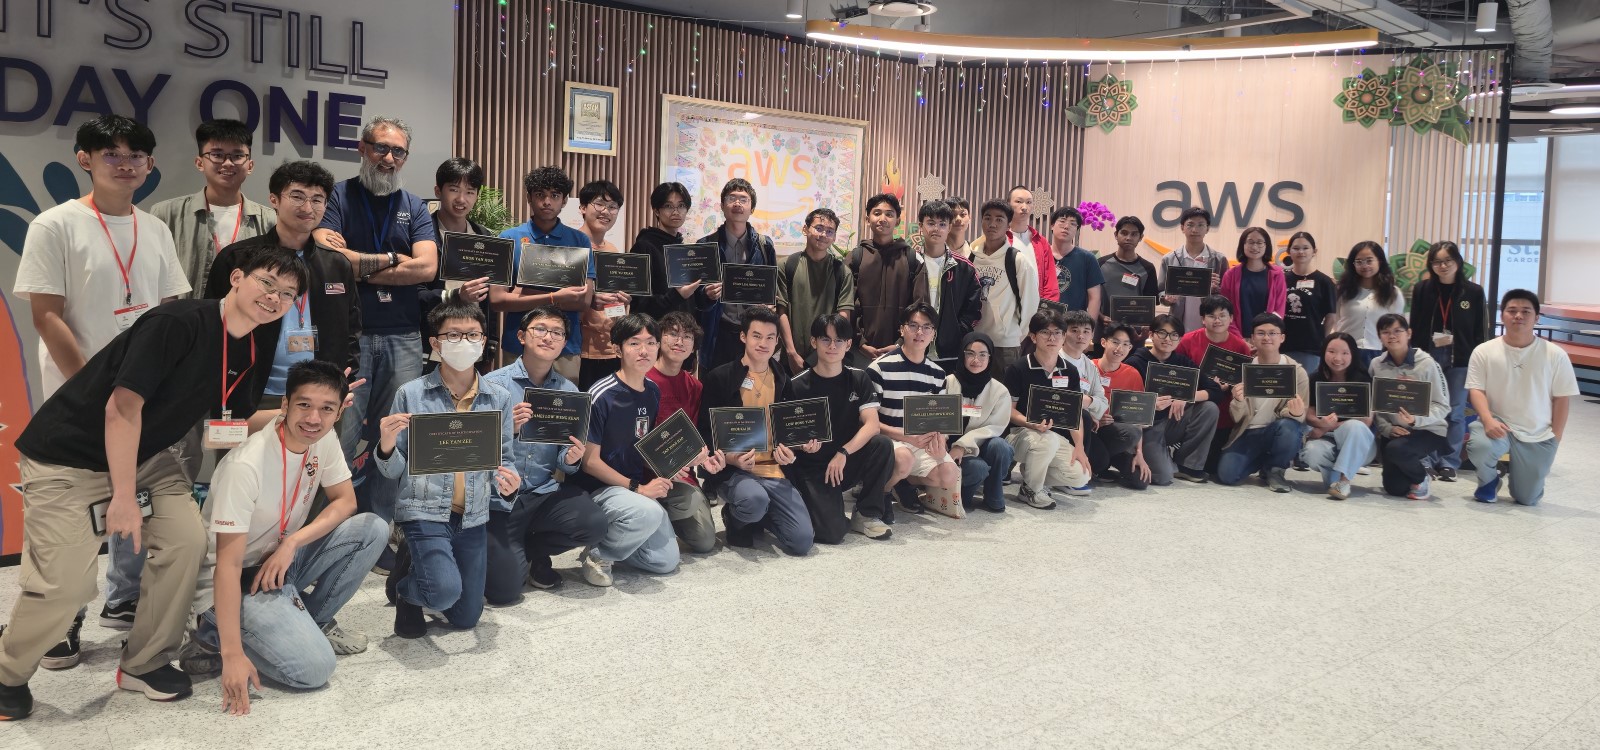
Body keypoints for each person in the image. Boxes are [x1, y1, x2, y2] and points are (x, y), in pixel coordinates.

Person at [0, 246, 307, 719]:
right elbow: (121, 409)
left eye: (287, 294)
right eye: (268, 283)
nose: (275, 297)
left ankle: (144, 662)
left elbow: (231, 420)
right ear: (238, 278)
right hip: (69, 457)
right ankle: (7, 671)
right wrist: (123, 496)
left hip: (148, 456)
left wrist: (304, 411)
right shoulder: (177, 323)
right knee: (65, 585)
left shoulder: (247, 345)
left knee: (187, 541)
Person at [12, 114, 191, 665]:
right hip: (76, 399)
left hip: (137, 401)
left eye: (136, 155)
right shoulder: (55, 225)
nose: (125, 163)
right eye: (110, 153)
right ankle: (61, 622)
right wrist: (94, 388)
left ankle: (126, 604)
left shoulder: (154, 228)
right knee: (64, 521)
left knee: (144, 510)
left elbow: (167, 313)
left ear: (150, 164)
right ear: (84, 159)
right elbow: (47, 317)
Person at [179, 361, 386, 714]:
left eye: (326, 409)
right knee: (314, 670)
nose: (314, 419)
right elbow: (225, 567)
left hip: (279, 560)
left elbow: (345, 502)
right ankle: (212, 636)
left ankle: (304, 622)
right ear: (285, 406)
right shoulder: (246, 466)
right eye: (304, 405)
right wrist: (233, 655)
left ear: (338, 413)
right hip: (234, 580)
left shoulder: (323, 438)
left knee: (373, 528)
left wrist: (292, 543)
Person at [313, 115, 439, 533]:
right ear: (363, 149)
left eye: (397, 151)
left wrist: (362, 263)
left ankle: (380, 525)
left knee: (395, 435)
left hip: (404, 336)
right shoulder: (337, 196)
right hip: (352, 335)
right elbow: (330, 258)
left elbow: (427, 268)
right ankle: (323, 530)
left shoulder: (415, 205)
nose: (388, 157)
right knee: (340, 435)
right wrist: (391, 260)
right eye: (380, 148)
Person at [376, 300, 525, 638]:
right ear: (435, 343)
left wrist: (510, 485)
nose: (464, 342)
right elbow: (391, 471)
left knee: (466, 617)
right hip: (424, 511)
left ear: (483, 341)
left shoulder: (498, 398)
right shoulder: (410, 394)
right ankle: (407, 591)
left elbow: (504, 458)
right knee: (443, 593)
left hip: (472, 516)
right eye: (453, 335)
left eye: (472, 334)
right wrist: (386, 445)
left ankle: (418, 569)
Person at [207, 161, 360, 418]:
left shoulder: (336, 264)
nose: (308, 208)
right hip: (252, 391)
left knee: (315, 460)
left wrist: (343, 382)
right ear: (274, 200)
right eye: (297, 196)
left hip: (318, 397)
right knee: (243, 460)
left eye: (317, 199)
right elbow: (213, 326)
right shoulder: (240, 258)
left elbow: (352, 331)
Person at [581, 314, 724, 576]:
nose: (644, 350)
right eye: (634, 343)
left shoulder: (651, 391)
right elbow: (589, 462)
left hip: (641, 486)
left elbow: (649, 445)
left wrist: (690, 459)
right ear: (617, 349)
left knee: (665, 562)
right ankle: (598, 555)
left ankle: (616, 537)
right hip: (604, 489)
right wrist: (639, 488)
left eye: (650, 342)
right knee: (648, 511)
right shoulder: (600, 394)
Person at [483, 307, 608, 597]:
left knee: (593, 524)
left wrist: (572, 458)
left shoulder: (570, 393)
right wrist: (507, 428)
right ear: (521, 336)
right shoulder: (492, 385)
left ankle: (534, 550)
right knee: (503, 592)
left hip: (543, 492)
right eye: (539, 329)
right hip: (500, 499)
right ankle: (513, 550)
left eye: (557, 333)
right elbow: (474, 448)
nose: (548, 337)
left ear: (565, 343)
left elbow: (565, 460)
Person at [698, 308, 814, 555]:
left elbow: (791, 430)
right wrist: (731, 458)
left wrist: (792, 452)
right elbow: (705, 432)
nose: (764, 343)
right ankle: (736, 517)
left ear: (777, 341)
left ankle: (760, 516)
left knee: (802, 541)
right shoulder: (720, 377)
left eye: (770, 337)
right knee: (753, 501)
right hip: (735, 471)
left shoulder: (783, 379)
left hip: (774, 469)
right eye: (757, 336)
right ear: (743, 337)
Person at [784, 314, 899, 542]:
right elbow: (787, 439)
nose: (832, 346)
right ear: (814, 342)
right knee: (832, 534)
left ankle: (866, 513)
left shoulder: (859, 378)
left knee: (882, 445)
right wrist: (802, 446)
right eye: (825, 340)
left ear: (848, 345)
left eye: (839, 340)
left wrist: (843, 452)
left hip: (845, 460)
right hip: (813, 468)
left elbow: (872, 425)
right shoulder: (796, 385)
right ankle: (814, 504)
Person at [1465, 290, 1577, 506]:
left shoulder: (1555, 354)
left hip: (1538, 432)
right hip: (1498, 423)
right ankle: (1489, 482)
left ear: (1537, 317)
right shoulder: (1484, 351)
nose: (1518, 316)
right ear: (1502, 315)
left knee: (1527, 499)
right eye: (1512, 311)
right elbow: (1477, 390)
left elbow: (1562, 398)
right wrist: (1487, 420)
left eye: (1526, 311)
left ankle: (1526, 482)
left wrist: (1556, 436)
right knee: (1481, 447)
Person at [490, 166, 595, 383]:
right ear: (529, 197)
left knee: (559, 412)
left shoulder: (579, 241)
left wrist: (523, 292)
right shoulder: (508, 238)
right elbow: (497, 300)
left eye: (554, 195)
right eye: (540, 195)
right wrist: (555, 297)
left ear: (564, 200)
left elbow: (583, 301)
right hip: (518, 343)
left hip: (565, 345)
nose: (547, 202)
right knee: (514, 410)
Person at [150, 118, 275, 298]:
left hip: (246, 322)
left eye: (237, 155)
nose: (228, 163)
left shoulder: (269, 220)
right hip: (185, 321)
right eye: (217, 155)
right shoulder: (166, 214)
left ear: (250, 165)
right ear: (200, 162)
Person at [868, 303, 961, 515]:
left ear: (933, 334)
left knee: (949, 474)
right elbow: (867, 421)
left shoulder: (938, 374)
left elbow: (941, 420)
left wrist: (941, 441)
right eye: (913, 325)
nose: (920, 332)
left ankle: (904, 482)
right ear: (902, 329)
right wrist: (905, 437)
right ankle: (881, 490)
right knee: (904, 459)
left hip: (921, 441)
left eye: (927, 327)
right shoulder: (880, 368)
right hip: (888, 440)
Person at [1407, 241, 1489, 482]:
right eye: (1437, 261)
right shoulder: (1423, 289)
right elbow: (1415, 325)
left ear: (1457, 262)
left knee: (1454, 413)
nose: (1442, 266)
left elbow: (1480, 331)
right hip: (1428, 359)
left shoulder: (1473, 292)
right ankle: (1426, 459)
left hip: (1461, 359)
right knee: (1426, 409)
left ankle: (1449, 462)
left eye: (1447, 261)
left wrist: (1480, 361)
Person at [1003, 309, 1093, 508]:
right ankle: (1031, 490)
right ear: (1033, 337)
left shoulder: (1070, 371)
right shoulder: (1018, 368)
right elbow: (1008, 410)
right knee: (1047, 441)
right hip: (1020, 434)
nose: (1052, 337)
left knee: (1081, 476)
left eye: (1057, 332)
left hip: (1052, 437)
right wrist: (1030, 423)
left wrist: (1079, 448)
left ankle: (1034, 477)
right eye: (1045, 332)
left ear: (1063, 337)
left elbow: (1075, 414)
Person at [1216, 313, 1309, 492]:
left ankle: (1276, 469)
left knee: (1289, 427)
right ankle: (1265, 462)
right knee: (1227, 476)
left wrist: (1295, 413)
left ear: (1282, 337)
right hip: (1247, 432)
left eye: (1272, 333)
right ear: (1252, 338)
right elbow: (1237, 418)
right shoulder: (1243, 369)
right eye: (1260, 333)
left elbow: (1301, 413)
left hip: (1278, 430)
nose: (1266, 338)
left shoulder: (1297, 372)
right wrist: (1238, 400)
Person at [1125, 314, 1219, 484]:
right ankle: (1148, 455)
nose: (1168, 339)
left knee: (1209, 408)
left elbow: (1215, 390)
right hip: (1147, 427)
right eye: (1162, 333)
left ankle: (1187, 465)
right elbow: (1125, 402)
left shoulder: (1183, 362)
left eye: (1174, 335)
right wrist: (1151, 405)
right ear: (1151, 334)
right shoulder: (1135, 362)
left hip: (1173, 422)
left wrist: (1186, 397)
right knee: (1163, 477)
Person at [1369, 314, 1451, 501]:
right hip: (1395, 431)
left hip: (1428, 430)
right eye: (1385, 332)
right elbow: (1376, 404)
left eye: (1398, 331)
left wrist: (1416, 419)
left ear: (1409, 333)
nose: (1392, 336)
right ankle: (1413, 464)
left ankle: (1422, 477)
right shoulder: (1376, 365)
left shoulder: (1427, 364)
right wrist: (1387, 428)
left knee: (1397, 450)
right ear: (1380, 337)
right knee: (1395, 489)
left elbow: (1443, 405)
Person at [421, 158, 494, 366]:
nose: (462, 199)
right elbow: (415, 293)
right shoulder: (422, 234)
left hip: (473, 343)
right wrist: (456, 295)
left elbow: (490, 297)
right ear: (438, 191)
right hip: (432, 342)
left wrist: (490, 344)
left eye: (470, 192)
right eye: (454, 189)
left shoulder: (483, 236)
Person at [698, 178, 774, 370]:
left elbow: (771, 291)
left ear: (752, 208)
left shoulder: (764, 246)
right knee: (717, 391)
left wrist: (770, 304)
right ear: (722, 205)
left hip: (753, 334)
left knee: (751, 390)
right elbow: (695, 298)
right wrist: (706, 294)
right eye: (732, 198)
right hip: (719, 332)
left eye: (743, 199)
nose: (737, 204)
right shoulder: (706, 245)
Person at [1061, 310, 1142, 485]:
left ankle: (1093, 464)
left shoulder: (1088, 366)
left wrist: (1088, 403)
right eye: (1074, 330)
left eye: (1086, 331)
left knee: (1106, 461)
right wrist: (1087, 408)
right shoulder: (1055, 359)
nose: (1080, 336)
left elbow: (1101, 400)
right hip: (1062, 422)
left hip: (1091, 426)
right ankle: (1078, 471)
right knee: (1084, 417)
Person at [1298, 332, 1375, 500]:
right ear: (1324, 352)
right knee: (1311, 452)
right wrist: (1320, 424)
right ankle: (1340, 472)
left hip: (1360, 442)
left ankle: (1344, 481)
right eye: (1331, 351)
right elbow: (1309, 414)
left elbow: (1366, 421)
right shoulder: (1315, 378)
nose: (1337, 358)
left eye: (1345, 353)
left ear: (1353, 354)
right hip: (1327, 440)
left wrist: (1326, 427)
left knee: (1355, 426)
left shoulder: (1364, 381)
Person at [777, 208, 856, 371]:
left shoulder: (842, 272)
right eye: (818, 228)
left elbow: (843, 317)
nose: (823, 235)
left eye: (829, 231)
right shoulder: (787, 266)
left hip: (829, 359)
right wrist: (791, 353)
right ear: (805, 229)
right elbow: (781, 312)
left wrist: (831, 353)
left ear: (834, 237)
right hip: (792, 357)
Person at [849, 193, 924, 360]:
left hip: (902, 349)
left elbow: (917, 304)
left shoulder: (912, 258)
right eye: (877, 213)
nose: (883, 218)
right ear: (867, 218)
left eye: (889, 214)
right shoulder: (855, 257)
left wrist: (901, 341)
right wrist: (860, 342)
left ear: (897, 220)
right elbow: (847, 305)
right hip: (859, 350)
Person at [966, 199, 1037, 373]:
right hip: (974, 341)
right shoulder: (971, 258)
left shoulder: (1017, 260)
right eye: (987, 218)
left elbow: (1030, 304)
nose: (992, 224)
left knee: (1003, 396)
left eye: (999, 219)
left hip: (1005, 346)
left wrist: (1014, 335)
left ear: (1008, 224)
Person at [945, 333, 1013, 512]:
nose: (977, 360)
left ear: (990, 357)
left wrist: (962, 445)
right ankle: (959, 493)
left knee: (1001, 446)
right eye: (970, 353)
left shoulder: (999, 391)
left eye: (983, 354)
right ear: (962, 355)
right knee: (977, 468)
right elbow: (937, 420)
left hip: (977, 448)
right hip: (946, 451)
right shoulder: (947, 383)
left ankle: (993, 494)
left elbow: (995, 427)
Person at [1175, 295, 1253, 444]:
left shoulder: (1241, 347)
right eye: (1211, 316)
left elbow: (1244, 382)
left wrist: (1228, 386)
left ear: (1231, 318)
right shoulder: (1187, 341)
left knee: (1216, 463)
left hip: (1227, 411)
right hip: (1193, 406)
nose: (1217, 321)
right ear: (1203, 319)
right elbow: (1177, 374)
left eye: (1222, 316)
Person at [912, 200, 983, 364]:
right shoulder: (911, 262)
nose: (936, 229)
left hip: (949, 352)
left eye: (942, 224)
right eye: (930, 223)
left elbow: (974, 309)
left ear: (949, 227)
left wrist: (956, 332)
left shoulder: (964, 267)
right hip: (913, 349)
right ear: (920, 226)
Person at [577, 180, 631, 390]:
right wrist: (590, 300)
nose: (606, 211)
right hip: (579, 349)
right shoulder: (571, 245)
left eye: (612, 207)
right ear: (582, 207)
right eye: (599, 204)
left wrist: (625, 301)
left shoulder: (613, 250)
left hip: (611, 347)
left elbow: (616, 302)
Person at [1092, 324, 1152, 489]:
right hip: (1089, 434)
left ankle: (1100, 464)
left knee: (1141, 481)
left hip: (1114, 435)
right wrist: (1095, 418)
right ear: (1103, 342)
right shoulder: (1089, 367)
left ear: (1131, 347)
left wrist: (1139, 453)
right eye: (1116, 342)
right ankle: (1097, 464)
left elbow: (1138, 418)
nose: (1120, 348)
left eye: (1126, 344)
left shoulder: (1132, 374)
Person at [628, 182, 697, 322]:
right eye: (668, 206)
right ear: (656, 210)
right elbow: (639, 304)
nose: (676, 211)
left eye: (682, 206)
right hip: (656, 333)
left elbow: (690, 302)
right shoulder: (644, 247)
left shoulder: (683, 249)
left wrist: (708, 296)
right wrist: (675, 295)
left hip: (683, 332)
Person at [1332, 241, 1405, 362]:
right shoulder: (1342, 290)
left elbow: (1396, 326)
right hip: (1346, 352)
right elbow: (1336, 320)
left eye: (1369, 260)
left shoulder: (1393, 293)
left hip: (1378, 353)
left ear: (1379, 261)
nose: (1364, 266)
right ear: (1353, 264)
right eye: (1359, 262)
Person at [1159, 207, 1230, 331]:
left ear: (1207, 228)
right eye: (1190, 225)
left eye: (1200, 225)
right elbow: (1160, 291)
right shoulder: (1169, 259)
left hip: (1210, 324)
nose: (1195, 230)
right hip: (1178, 322)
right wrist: (1167, 298)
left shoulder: (1219, 259)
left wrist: (1215, 290)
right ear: (1182, 228)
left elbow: (1227, 296)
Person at [647, 311, 706, 453]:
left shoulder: (695, 386)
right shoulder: (641, 379)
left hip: (680, 464)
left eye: (687, 337)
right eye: (673, 334)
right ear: (659, 340)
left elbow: (691, 436)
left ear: (693, 348)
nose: (679, 342)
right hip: (642, 466)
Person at [1281, 231, 1338, 374]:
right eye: (1296, 248)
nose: (1301, 252)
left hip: (1311, 347)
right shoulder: (1281, 279)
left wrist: (1321, 340)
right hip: (1283, 345)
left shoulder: (1325, 282)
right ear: (1288, 251)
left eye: (1305, 248)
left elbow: (1331, 316)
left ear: (1314, 251)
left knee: (1306, 390)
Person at [1097, 215, 1160, 344]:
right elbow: (1091, 299)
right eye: (1124, 233)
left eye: (1134, 234)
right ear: (1116, 235)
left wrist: (1145, 331)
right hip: (1104, 335)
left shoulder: (1148, 268)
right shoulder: (1100, 263)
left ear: (1140, 238)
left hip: (1134, 338)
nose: (1128, 238)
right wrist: (1100, 317)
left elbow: (1150, 306)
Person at [1220, 226, 1287, 340]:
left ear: (1266, 245)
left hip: (1266, 339)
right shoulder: (1230, 275)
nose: (1255, 246)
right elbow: (1225, 310)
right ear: (1243, 245)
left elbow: (1279, 309)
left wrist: (1265, 337)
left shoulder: (1277, 274)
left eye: (1260, 242)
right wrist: (1239, 339)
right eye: (1250, 242)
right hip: (1237, 337)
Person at [1005, 185, 1060, 302]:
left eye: (1029, 202)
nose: (1024, 207)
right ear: (1008, 204)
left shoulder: (1041, 241)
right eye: (1019, 201)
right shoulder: (1000, 239)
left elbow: (1050, 282)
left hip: (1035, 306)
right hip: (1006, 305)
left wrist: (1046, 311)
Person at [1046, 206, 1103, 316]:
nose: (1066, 226)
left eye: (1073, 224)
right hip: (1044, 322)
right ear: (1052, 225)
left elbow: (1094, 298)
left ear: (1077, 230)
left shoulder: (1088, 258)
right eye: (1062, 221)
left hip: (1074, 325)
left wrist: (1089, 328)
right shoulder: (1040, 254)